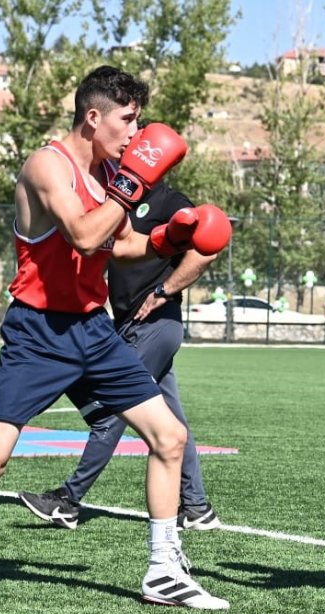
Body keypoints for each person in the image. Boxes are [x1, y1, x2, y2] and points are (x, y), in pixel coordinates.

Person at [0, 66, 233, 611]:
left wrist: (171, 238)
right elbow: (84, 236)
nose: (135, 134)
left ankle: (164, 571)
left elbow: (121, 245)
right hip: (37, 332)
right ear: (93, 116)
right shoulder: (46, 165)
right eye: (127, 121)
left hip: (93, 329)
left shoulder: (110, 174)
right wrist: (133, 183)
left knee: (169, 436)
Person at [17, 177, 221, 532]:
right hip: (127, 324)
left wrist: (165, 289)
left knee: (114, 409)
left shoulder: (172, 201)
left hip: (156, 324)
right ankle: (197, 507)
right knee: (171, 420)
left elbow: (208, 247)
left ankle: (68, 500)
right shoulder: (118, 203)